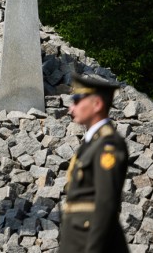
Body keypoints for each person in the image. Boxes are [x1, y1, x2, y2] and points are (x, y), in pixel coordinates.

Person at [57, 73, 128, 253]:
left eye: (77, 100)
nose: (70, 109)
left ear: (97, 104)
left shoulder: (108, 145)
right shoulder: (91, 144)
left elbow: (105, 203)